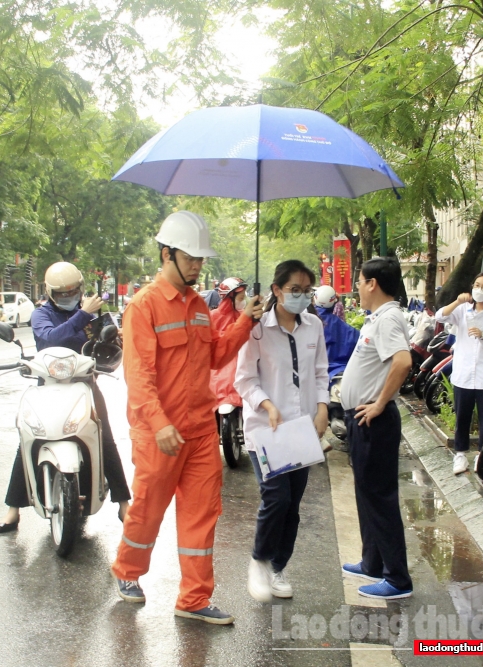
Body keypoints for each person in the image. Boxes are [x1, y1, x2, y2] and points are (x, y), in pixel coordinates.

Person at [111, 211, 262, 625]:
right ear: (167, 254)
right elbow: (138, 374)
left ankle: (194, 599)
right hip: (159, 432)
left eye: (200, 258)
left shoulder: (199, 306)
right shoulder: (144, 306)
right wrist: (158, 424)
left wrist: (246, 319)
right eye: (190, 257)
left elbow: (215, 355)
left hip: (199, 431)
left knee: (202, 513)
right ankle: (127, 572)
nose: (197, 265)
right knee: (148, 508)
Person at [0, 262, 131, 533]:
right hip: (49, 385)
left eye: (72, 291)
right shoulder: (41, 314)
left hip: (84, 383)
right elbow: (49, 341)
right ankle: (12, 510)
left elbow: (106, 342)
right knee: (29, 437)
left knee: (104, 437)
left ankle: (124, 503)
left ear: (79, 288)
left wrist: (116, 340)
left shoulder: (92, 311)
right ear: (50, 292)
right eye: (61, 293)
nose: (68, 297)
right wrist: (82, 315)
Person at [235, 260, 329, 603]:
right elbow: (244, 379)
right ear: (276, 290)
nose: (301, 297)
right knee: (277, 498)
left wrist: (322, 407)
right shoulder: (256, 329)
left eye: (307, 291)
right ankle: (258, 560)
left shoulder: (314, 326)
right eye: (294, 290)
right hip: (266, 430)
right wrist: (267, 404)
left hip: (301, 429)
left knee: (293, 506)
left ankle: (278, 566)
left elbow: (321, 372)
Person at [339, 257, 413, 600]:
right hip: (361, 419)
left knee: (380, 498)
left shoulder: (389, 319)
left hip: (375, 420)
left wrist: (381, 402)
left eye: (359, 280)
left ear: (372, 283)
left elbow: (402, 361)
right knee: (366, 493)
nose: (356, 286)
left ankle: (397, 578)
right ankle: (372, 561)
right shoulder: (378, 319)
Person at [435, 272, 483, 474]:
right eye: (476, 285)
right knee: (462, 416)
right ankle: (460, 455)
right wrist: (456, 302)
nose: (479, 290)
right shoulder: (463, 310)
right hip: (464, 373)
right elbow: (440, 316)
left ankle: (481, 457)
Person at [209, 277, 249, 419]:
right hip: (222, 363)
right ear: (229, 297)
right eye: (241, 297)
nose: (244, 300)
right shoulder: (213, 316)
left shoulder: (246, 315)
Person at [314, 284, 360, 378]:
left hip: (314, 375)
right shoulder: (347, 330)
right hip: (339, 374)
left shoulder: (305, 323)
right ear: (334, 301)